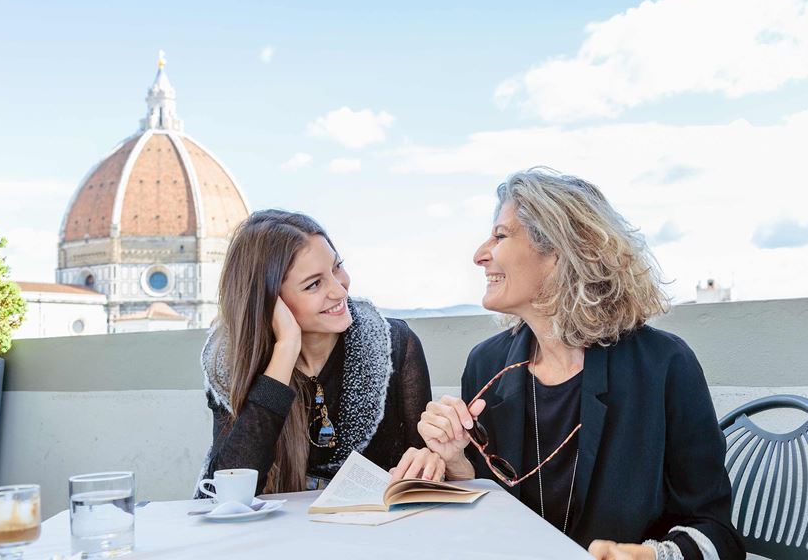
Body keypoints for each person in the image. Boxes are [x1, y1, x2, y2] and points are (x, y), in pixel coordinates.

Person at [396, 168, 744, 560]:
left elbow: (717, 534)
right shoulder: (486, 364)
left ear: (560, 251)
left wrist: (651, 556)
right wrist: (453, 461)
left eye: (500, 235)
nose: (479, 255)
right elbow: (488, 513)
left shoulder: (664, 365)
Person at [198, 209, 432, 495]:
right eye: (314, 284)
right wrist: (285, 349)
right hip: (279, 535)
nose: (339, 290)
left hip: (375, 531)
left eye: (337, 267)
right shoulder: (230, 363)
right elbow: (229, 490)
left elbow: (423, 467)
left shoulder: (395, 345)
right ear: (272, 304)